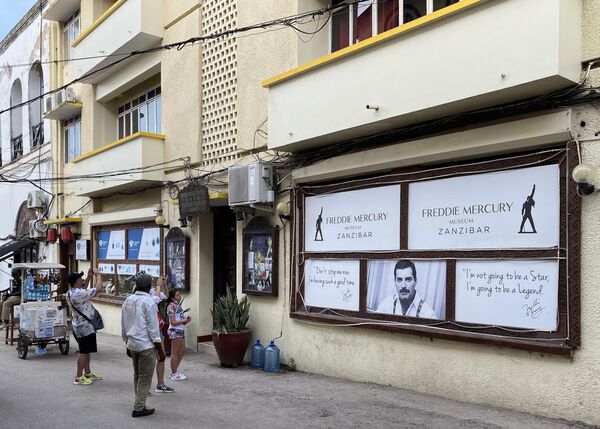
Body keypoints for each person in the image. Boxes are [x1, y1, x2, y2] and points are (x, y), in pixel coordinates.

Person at [121, 273, 166, 418]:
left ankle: (140, 403)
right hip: (146, 346)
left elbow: (123, 324)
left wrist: (126, 342)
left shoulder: (128, 300)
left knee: (137, 375)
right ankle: (139, 407)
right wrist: (160, 349)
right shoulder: (149, 302)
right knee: (145, 377)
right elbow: (153, 328)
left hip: (133, 344)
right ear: (149, 287)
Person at [67, 268, 104, 385]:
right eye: (80, 278)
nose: (82, 279)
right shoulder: (78, 294)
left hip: (81, 325)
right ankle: (78, 377)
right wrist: (98, 275)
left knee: (87, 351)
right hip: (84, 327)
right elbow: (98, 289)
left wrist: (88, 277)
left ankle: (87, 373)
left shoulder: (71, 292)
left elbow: (83, 288)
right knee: (83, 352)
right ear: (76, 282)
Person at [150, 276, 174, 393]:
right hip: (147, 331)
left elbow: (166, 296)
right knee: (148, 360)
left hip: (157, 329)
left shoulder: (152, 292)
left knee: (161, 356)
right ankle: (144, 387)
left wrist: (164, 284)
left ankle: (160, 384)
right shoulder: (142, 297)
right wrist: (158, 285)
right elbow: (156, 299)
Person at [166, 289, 191, 381]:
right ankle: (173, 373)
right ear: (172, 298)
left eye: (179, 294)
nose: (179, 296)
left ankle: (174, 371)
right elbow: (173, 322)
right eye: (177, 295)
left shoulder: (177, 306)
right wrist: (184, 321)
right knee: (175, 352)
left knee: (181, 351)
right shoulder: (171, 306)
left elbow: (179, 319)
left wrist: (185, 321)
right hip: (175, 330)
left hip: (180, 330)